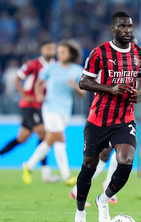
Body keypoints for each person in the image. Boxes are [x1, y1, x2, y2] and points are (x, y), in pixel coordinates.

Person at [74, 11, 141, 222]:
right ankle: (80, 214)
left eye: (130, 26)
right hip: (98, 120)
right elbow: (83, 82)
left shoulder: (139, 53)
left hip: (124, 118)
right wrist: (110, 89)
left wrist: (140, 92)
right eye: (123, 26)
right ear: (113, 28)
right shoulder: (100, 53)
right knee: (89, 167)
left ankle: (103, 199)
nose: (128, 30)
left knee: (126, 161)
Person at [0, 41, 60, 183]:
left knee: (22, 138)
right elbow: (17, 79)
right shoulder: (33, 64)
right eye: (48, 47)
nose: (51, 50)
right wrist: (25, 95)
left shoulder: (55, 65)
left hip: (42, 106)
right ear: (42, 49)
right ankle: (45, 173)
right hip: (30, 104)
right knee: (44, 133)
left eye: (53, 48)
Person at [22, 40, 85, 186]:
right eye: (59, 52)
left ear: (71, 54)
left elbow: (82, 93)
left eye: (63, 52)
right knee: (60, 139)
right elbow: (39, 82)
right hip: (50, 109)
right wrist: (38, 94)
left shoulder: (77, 70)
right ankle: (67, 176)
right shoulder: (51, 68)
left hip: (65, 111)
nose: (60, 54)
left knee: (50, 140)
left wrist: (74, 86)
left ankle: (29, 165)